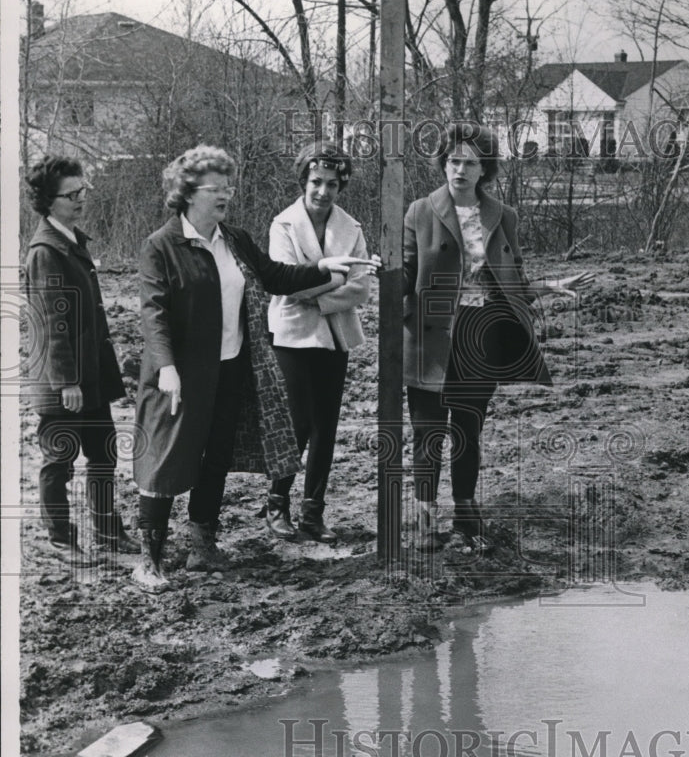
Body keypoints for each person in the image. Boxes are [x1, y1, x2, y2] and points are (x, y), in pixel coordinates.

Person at [131, 144, 378, 592]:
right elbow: (154, 315)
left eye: (229, 186)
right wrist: (166, 367)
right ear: (188, 192)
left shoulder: (235, 238)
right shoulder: (161, 246)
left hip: (230, 370)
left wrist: (324, 265)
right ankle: (149, 560)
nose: (226, 195)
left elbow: (277, 277)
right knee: (167, 462)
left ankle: (202, 546)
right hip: (177, 379)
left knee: (215, 459)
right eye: (216, 188)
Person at [403, 122, 593, 553]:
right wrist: (386, 279)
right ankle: (424, 522)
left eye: (470, 163)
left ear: (485, 169)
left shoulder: (502, 215)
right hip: (429, 339)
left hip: (479, 336)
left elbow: (513, 279)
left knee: (468, 431)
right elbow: (405, 276)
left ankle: (467, 522)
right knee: (428, 431)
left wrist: (549, 285)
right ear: (443, 163)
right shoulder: (419, 211)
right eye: (453, 160)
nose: (460, 169)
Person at [24, 155, 139, 566]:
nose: (80, 199)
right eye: (71, 195)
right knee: (59, 460)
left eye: (82, 191)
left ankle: (107, 531)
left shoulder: (72, 240)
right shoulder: (45, 252)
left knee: (103, 454)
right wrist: (67, 381)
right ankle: (59, 540)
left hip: (88, 378)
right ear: (48, 202)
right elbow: (53, 323)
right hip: (65, 384)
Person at [265, 141, 378, 544]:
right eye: (316, 181)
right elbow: (286, 284)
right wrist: (328, 284)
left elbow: (360, 289)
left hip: (336, 337)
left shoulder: (352, 228)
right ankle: (277, 504)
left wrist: (315, 290)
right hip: (292, 335)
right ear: (303, 181)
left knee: (326, 427)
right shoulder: (283, 225)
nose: (322, 191)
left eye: (332, 183)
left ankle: (313, 512)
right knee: (297, 423)